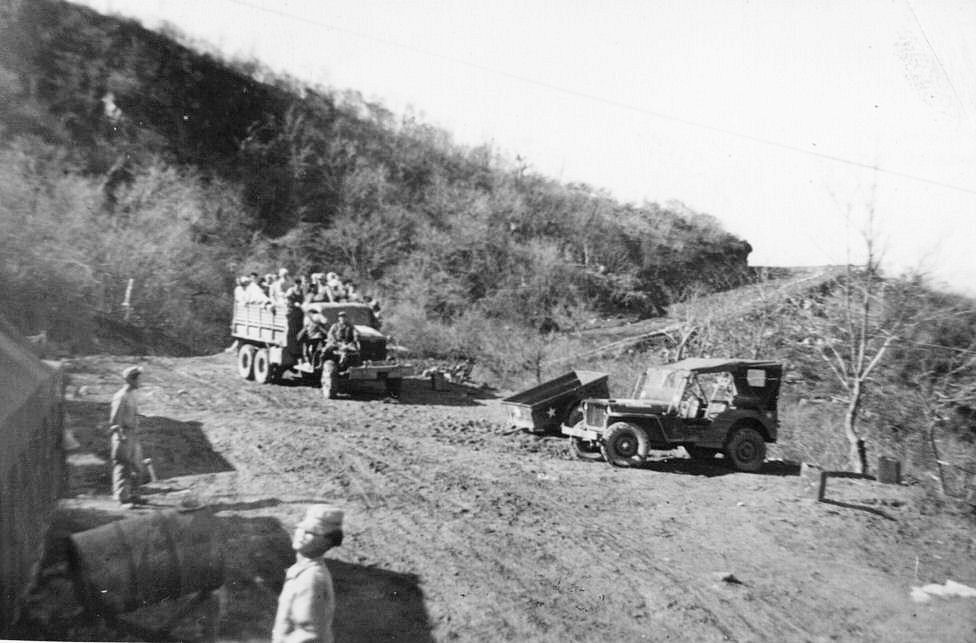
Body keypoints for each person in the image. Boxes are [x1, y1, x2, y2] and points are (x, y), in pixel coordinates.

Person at [272, 505, 344, 643]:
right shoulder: (299, 569)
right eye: (302, 528)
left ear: (328, 542)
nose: (302, 534)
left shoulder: (311, 579)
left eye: (312, 532)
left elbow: (309, 635)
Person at [109, 366, 148, 506]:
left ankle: (134, 495)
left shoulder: (132, 395)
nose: (140, 381)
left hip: (133, 434)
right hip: (123, 435)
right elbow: (115, 421)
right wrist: (120, 437)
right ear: (131, 379)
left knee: (137, 467)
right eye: (138, 378)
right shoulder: (121, 397)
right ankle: (122, 498)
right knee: (123, 467)